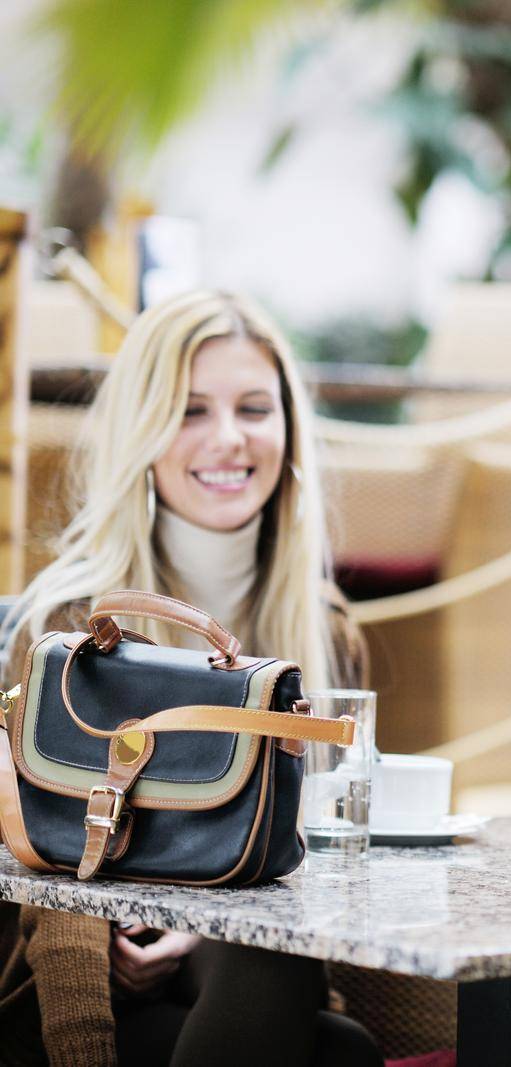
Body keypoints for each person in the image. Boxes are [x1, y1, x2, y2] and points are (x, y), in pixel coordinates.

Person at [0, 291, 380, 1067]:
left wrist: (210, 918)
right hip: (72, 979)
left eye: (253, 407)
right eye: (191, 410)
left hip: (239, 969)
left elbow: (327, 858)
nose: (230, 439)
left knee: (314, 1006)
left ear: (289, 428)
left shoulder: (327, 627)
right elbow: (33, 864)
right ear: (143, 431)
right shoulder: (66, 625)